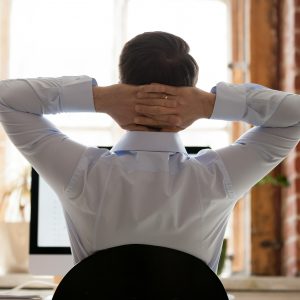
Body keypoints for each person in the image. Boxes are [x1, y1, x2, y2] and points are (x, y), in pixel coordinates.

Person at [0, 31, 299, 273]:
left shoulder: (82, 174)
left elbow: (6, 99)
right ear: (189, 90)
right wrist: (210, 104)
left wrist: (99, 98)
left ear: (123, 84)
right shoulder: (217, 178)